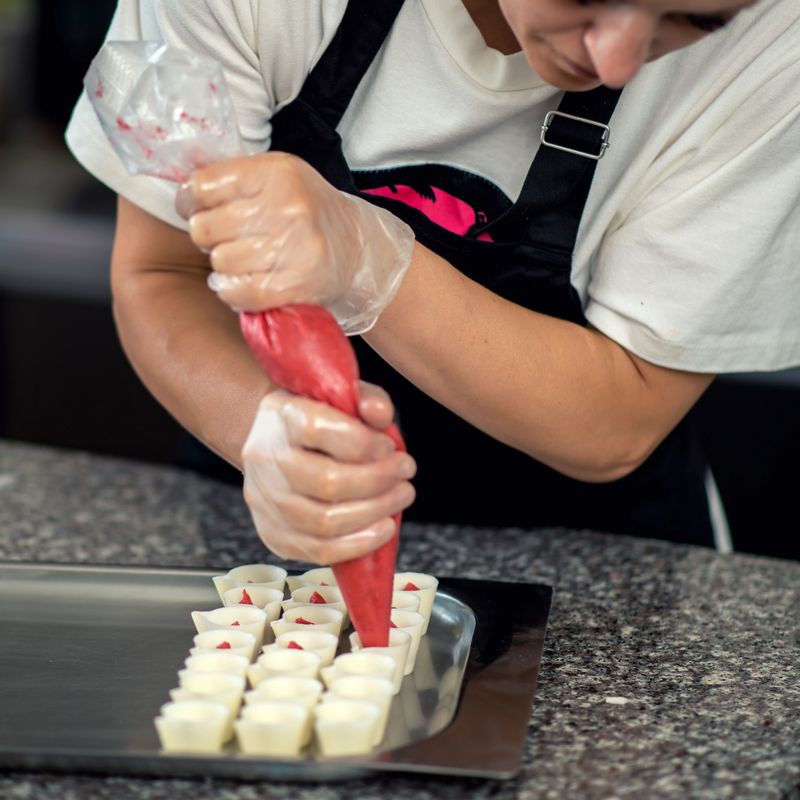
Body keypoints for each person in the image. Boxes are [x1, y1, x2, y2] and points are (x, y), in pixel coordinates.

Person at [66, 0, 800, 565]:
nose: (617, 59)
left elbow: (620, 419)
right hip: (281, 539)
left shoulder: (777, 34)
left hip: (602, 563)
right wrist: (263, 433)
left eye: (698, 18)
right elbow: (163, 271)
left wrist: (372, 262)